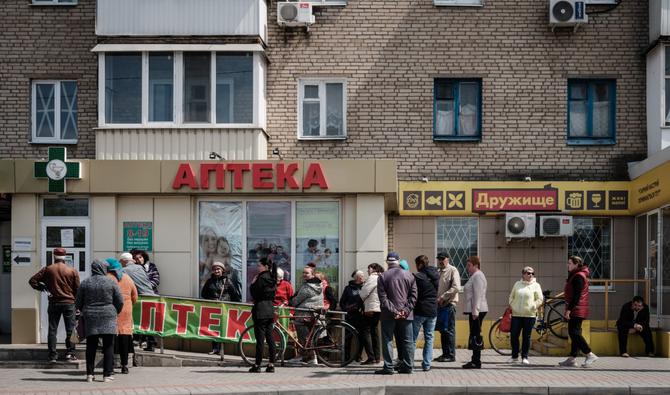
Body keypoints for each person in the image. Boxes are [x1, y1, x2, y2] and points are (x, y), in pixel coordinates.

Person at [75, 259, 124, 383]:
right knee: (108, 346)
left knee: (91, 346)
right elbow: (120, 301)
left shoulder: (85, 283)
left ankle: (90, 375)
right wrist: (115, 311)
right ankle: (107, 375)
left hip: (91, 317)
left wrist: (85, 310)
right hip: (108, 316)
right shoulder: (111, 282)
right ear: (103, 269)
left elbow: (78, 302)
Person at [29, 247, 80, 362]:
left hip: (54, 303)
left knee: (52, 329)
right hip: (69, 303)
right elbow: (78, 289)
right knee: (70, 329)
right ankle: (70, 353)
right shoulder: (72, 270)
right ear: (65, 257)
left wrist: (42, 288)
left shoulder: (48, 269)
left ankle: (52, 355)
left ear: (54, 256)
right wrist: (78, 304)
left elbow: (32, 281)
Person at [375, 252, 417, 375]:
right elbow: (413, 297)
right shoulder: (409, 275)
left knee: (388, 339)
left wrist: (395, 311)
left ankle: (388, 367)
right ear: (398, 261)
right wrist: (404, 311)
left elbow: (383, 298)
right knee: (408, 340)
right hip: (406, 314)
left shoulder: (382, 277)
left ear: (387, 262)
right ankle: (408, 366)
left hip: (388, 314)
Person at [559, 255, 598, 368]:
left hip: (577, 309)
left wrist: (569, 310)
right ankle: (572, 358)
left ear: (576, 264)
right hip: (578, 308)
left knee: (574, 333)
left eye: (570, 263)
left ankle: (589, 354)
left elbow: (576, 296)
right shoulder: (576, 275)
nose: (568, 265)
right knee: (575, 333)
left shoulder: (578, 277)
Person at [119, 252, 157, 352]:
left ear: (124, 261)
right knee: (148, 322)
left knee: (137, 321)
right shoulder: (140, 268)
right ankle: (151, 344)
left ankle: (136, 343)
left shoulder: (123, 271)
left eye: (121, 261)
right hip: (151, 296)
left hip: (141, 298)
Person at [200, 261, 239, 355]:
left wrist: (231, 305)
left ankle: (221, 349)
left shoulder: (228, 281)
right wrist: (212, 299)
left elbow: (235, 295)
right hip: (213, 309)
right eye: (214, 269)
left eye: (218, 269)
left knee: (223, 328)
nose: (216, 271)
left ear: (222, 270)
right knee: (213, 328)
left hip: (225, 309)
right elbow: (203, 294)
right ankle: (214, 348)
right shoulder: (209, 281)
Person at [107, 258, 138, 374]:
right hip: (126, 311)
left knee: (111, 338)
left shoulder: (108, 278)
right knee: (125, 338)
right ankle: (124, 365)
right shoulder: (127, 278)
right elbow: (135, 296)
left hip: (112, 310)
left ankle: (111, 364)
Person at [507, 266, 543, 365]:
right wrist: (512, 305)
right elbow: (511, 296)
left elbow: (540, 299)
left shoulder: (536, 285)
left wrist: (533, 306)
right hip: (516, 314)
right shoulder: (517, 284)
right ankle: (514, 356)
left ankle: (525, 357)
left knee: (526, 337)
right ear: (523, 274)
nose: (530, 275)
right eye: (528, 273)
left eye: (532, 273)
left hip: (529, 315)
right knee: (514, 335)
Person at [289, 266, 324, 365]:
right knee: (310, 338)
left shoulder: (308, 287)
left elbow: (296, 301)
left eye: (307, 273)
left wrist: (290, 301)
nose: (304, 274)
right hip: (315, 314)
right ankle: (310, 357)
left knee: (303, 337)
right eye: (303, 272)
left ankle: (305, 357)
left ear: (312, 274)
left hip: (304, 315)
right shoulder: (318, 285)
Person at [248, 258, 278, 373]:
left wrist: (252, 284)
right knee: (270, 338)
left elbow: (255, 294)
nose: (257, 267)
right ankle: (271, 364)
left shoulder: (261, 278)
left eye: (259, 265)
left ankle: (257, 364)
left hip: (260, 309)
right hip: (270, 309)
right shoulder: (272, 277)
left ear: (265, 266)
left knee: (260, 340)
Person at [412, 255, 440, 371]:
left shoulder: (418, 277)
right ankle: (427, 364)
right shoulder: (436, 275)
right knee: (429, 338)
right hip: (432, 310)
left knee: (412, 338)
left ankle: (410, 363)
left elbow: (414, 293)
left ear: (420, 264)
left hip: (420, 310)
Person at [434, 252, 461, 363]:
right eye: (439, 259)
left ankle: (450, 355)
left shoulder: (452, 270)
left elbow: (456, 287)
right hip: (440, 305)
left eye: (442, 259)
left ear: (447, 259)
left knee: (449, 330)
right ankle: (445, 354)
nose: (440, 261)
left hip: (449, 304)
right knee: (442, 330)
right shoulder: (438, 271)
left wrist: (442, 297)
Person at [462, 256, 488, 369]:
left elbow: (477, 295)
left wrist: (475, 311)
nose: (467, 268)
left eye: (469, 265)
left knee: (476, 335)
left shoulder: (478, 276)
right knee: (474, 334)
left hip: (477, 310)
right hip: (475, 310)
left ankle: (476, 361)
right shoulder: (475, 276)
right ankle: (475, 360)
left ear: (475, 266)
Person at [359, 263, 384, 365]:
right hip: (379, 308)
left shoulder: (372, 278)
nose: (367, 271)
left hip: (371, 308)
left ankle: (371, 357)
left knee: (365, 331)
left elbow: (363, 293)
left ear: (373, 269)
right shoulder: (382, 277)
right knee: (375, 332)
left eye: (368, 268)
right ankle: (377, 357)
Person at [339, 270, 365, 362]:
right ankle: (346, 357)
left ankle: (358, 356)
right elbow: (342, 302)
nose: (363, 277)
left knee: (361, 337)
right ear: (356, 278)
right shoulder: (348, 288)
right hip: (350, 316)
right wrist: (347, 310)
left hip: (362, 316)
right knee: (348, 337)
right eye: (361, 276)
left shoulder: (365, 287)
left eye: (363, 276)